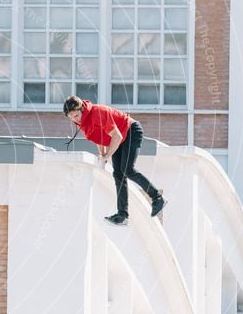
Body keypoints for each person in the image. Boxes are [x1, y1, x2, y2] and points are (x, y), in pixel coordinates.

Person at [63, 95, 166, 226]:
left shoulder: (97, 113)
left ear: (82, 109)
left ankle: (157, 197)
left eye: (76, 116)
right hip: (118, 139)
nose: (74, 120)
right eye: (71, 118)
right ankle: (122, 215)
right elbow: (98, 137)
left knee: (127, 170)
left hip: (130, 131)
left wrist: (107, 156)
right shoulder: (81, 121)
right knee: (118, 174)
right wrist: (102, 154)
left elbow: (117, 135)